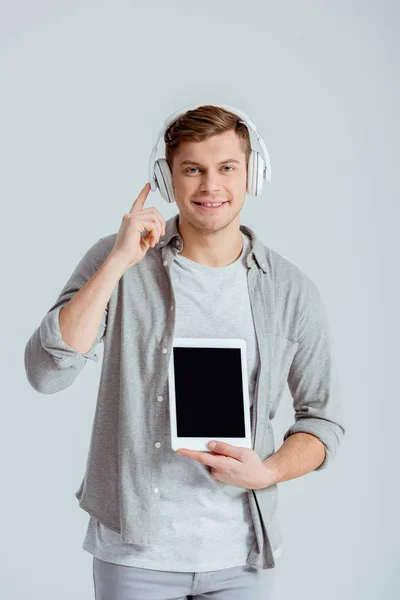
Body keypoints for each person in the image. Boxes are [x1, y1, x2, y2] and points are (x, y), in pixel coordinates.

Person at [24, 104, 345, 599]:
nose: (209, 186)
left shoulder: (290, 290)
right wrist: (116, 265)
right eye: (192, 169)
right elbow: (47, 373)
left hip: (242, 557)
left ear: (252, 174)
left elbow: (323, 420)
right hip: (134, 553)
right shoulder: (119, 260)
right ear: (167, 177)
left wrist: (269, 471)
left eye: (226, 168)